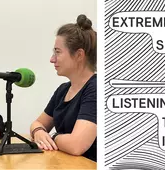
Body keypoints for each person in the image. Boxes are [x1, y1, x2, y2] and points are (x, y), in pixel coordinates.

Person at [29, 14, 97, 162]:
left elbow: (77, 145)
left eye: (57, 52)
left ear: (79, 55)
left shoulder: (96, 89)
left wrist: (53, 136)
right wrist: (39, 131)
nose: (52, 59)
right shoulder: (63, 90)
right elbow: (37, 123)